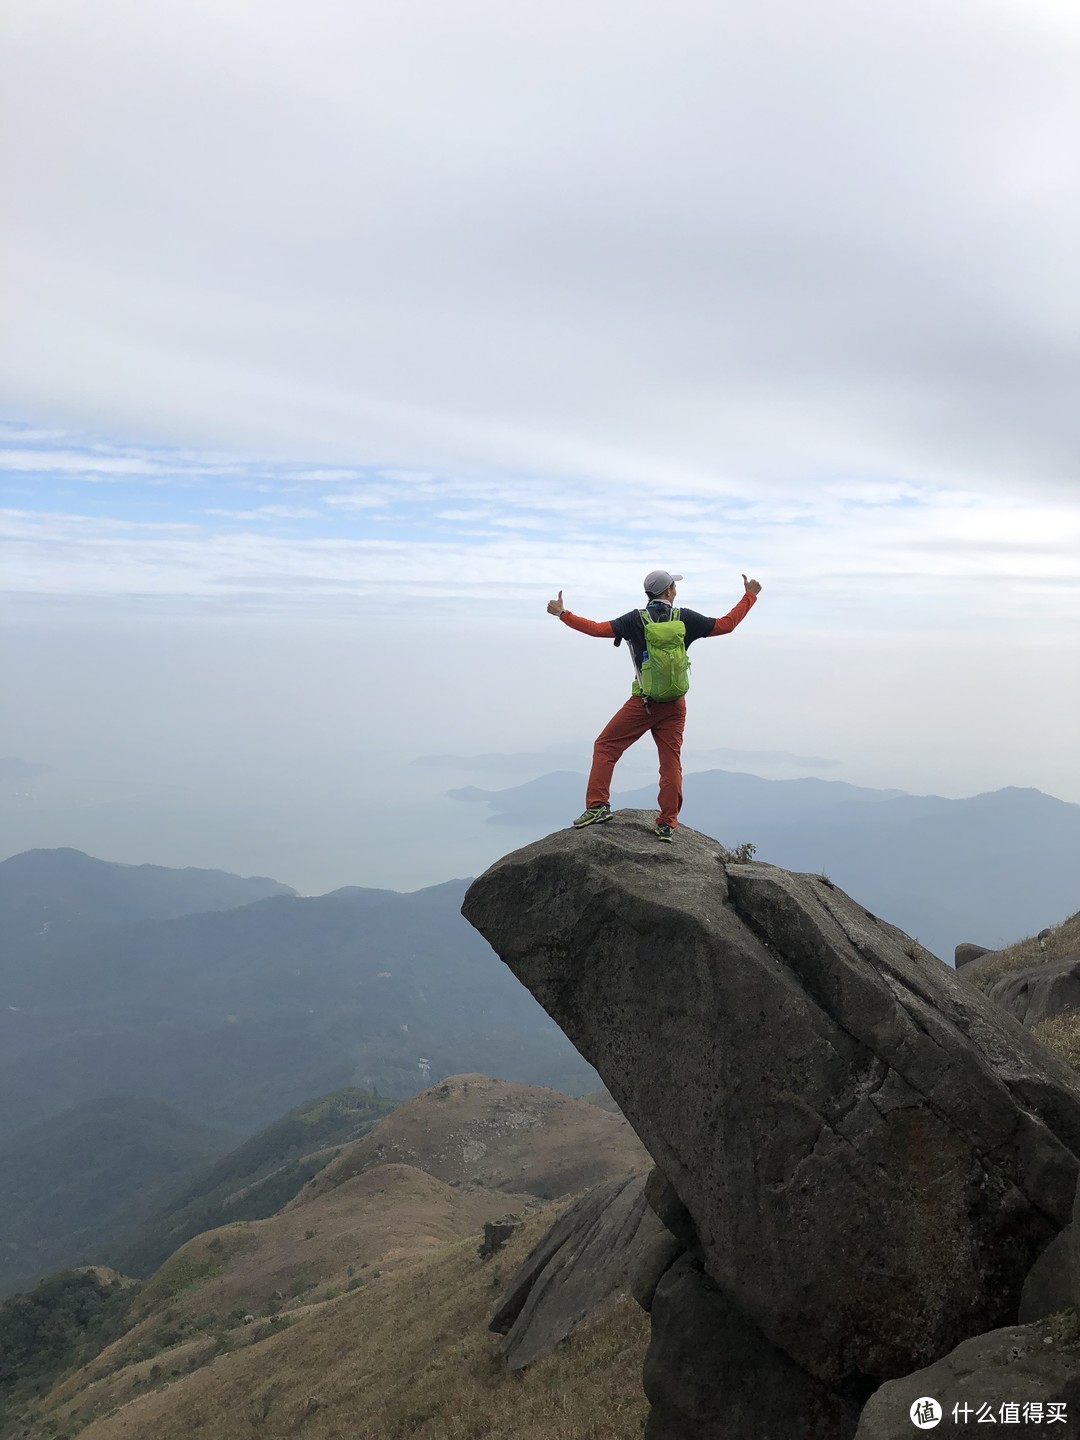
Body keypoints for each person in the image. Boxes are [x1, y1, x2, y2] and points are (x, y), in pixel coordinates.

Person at [547, 569, 762, 842]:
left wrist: (563, 614)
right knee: (670, 762)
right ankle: (667, 823)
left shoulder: (634, 620)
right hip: (674, 705)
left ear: (650, 593)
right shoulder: (685, 618)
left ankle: (597, 806)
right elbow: (726, 624)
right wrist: (750, 596)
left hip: (644, 703)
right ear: (670, 591)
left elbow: (596, 629)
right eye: (674, 585)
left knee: (606, 746)